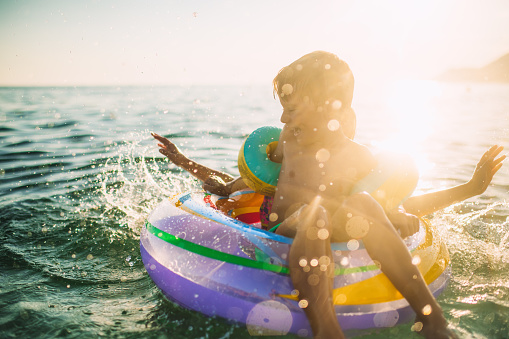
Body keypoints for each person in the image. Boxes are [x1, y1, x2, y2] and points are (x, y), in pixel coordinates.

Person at [152, 51, 505, 338]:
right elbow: (234, 185)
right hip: (281, 231)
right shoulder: (287, 143)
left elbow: (397, 204)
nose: (283, 117)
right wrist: (186, 163)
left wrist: (469, 189)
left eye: (292, 109)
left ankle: (431, 317)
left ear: (328, 107)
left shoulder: (356, 158)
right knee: (314, 213)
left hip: (334, 230)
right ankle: (326, 329)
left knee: (361, 204)